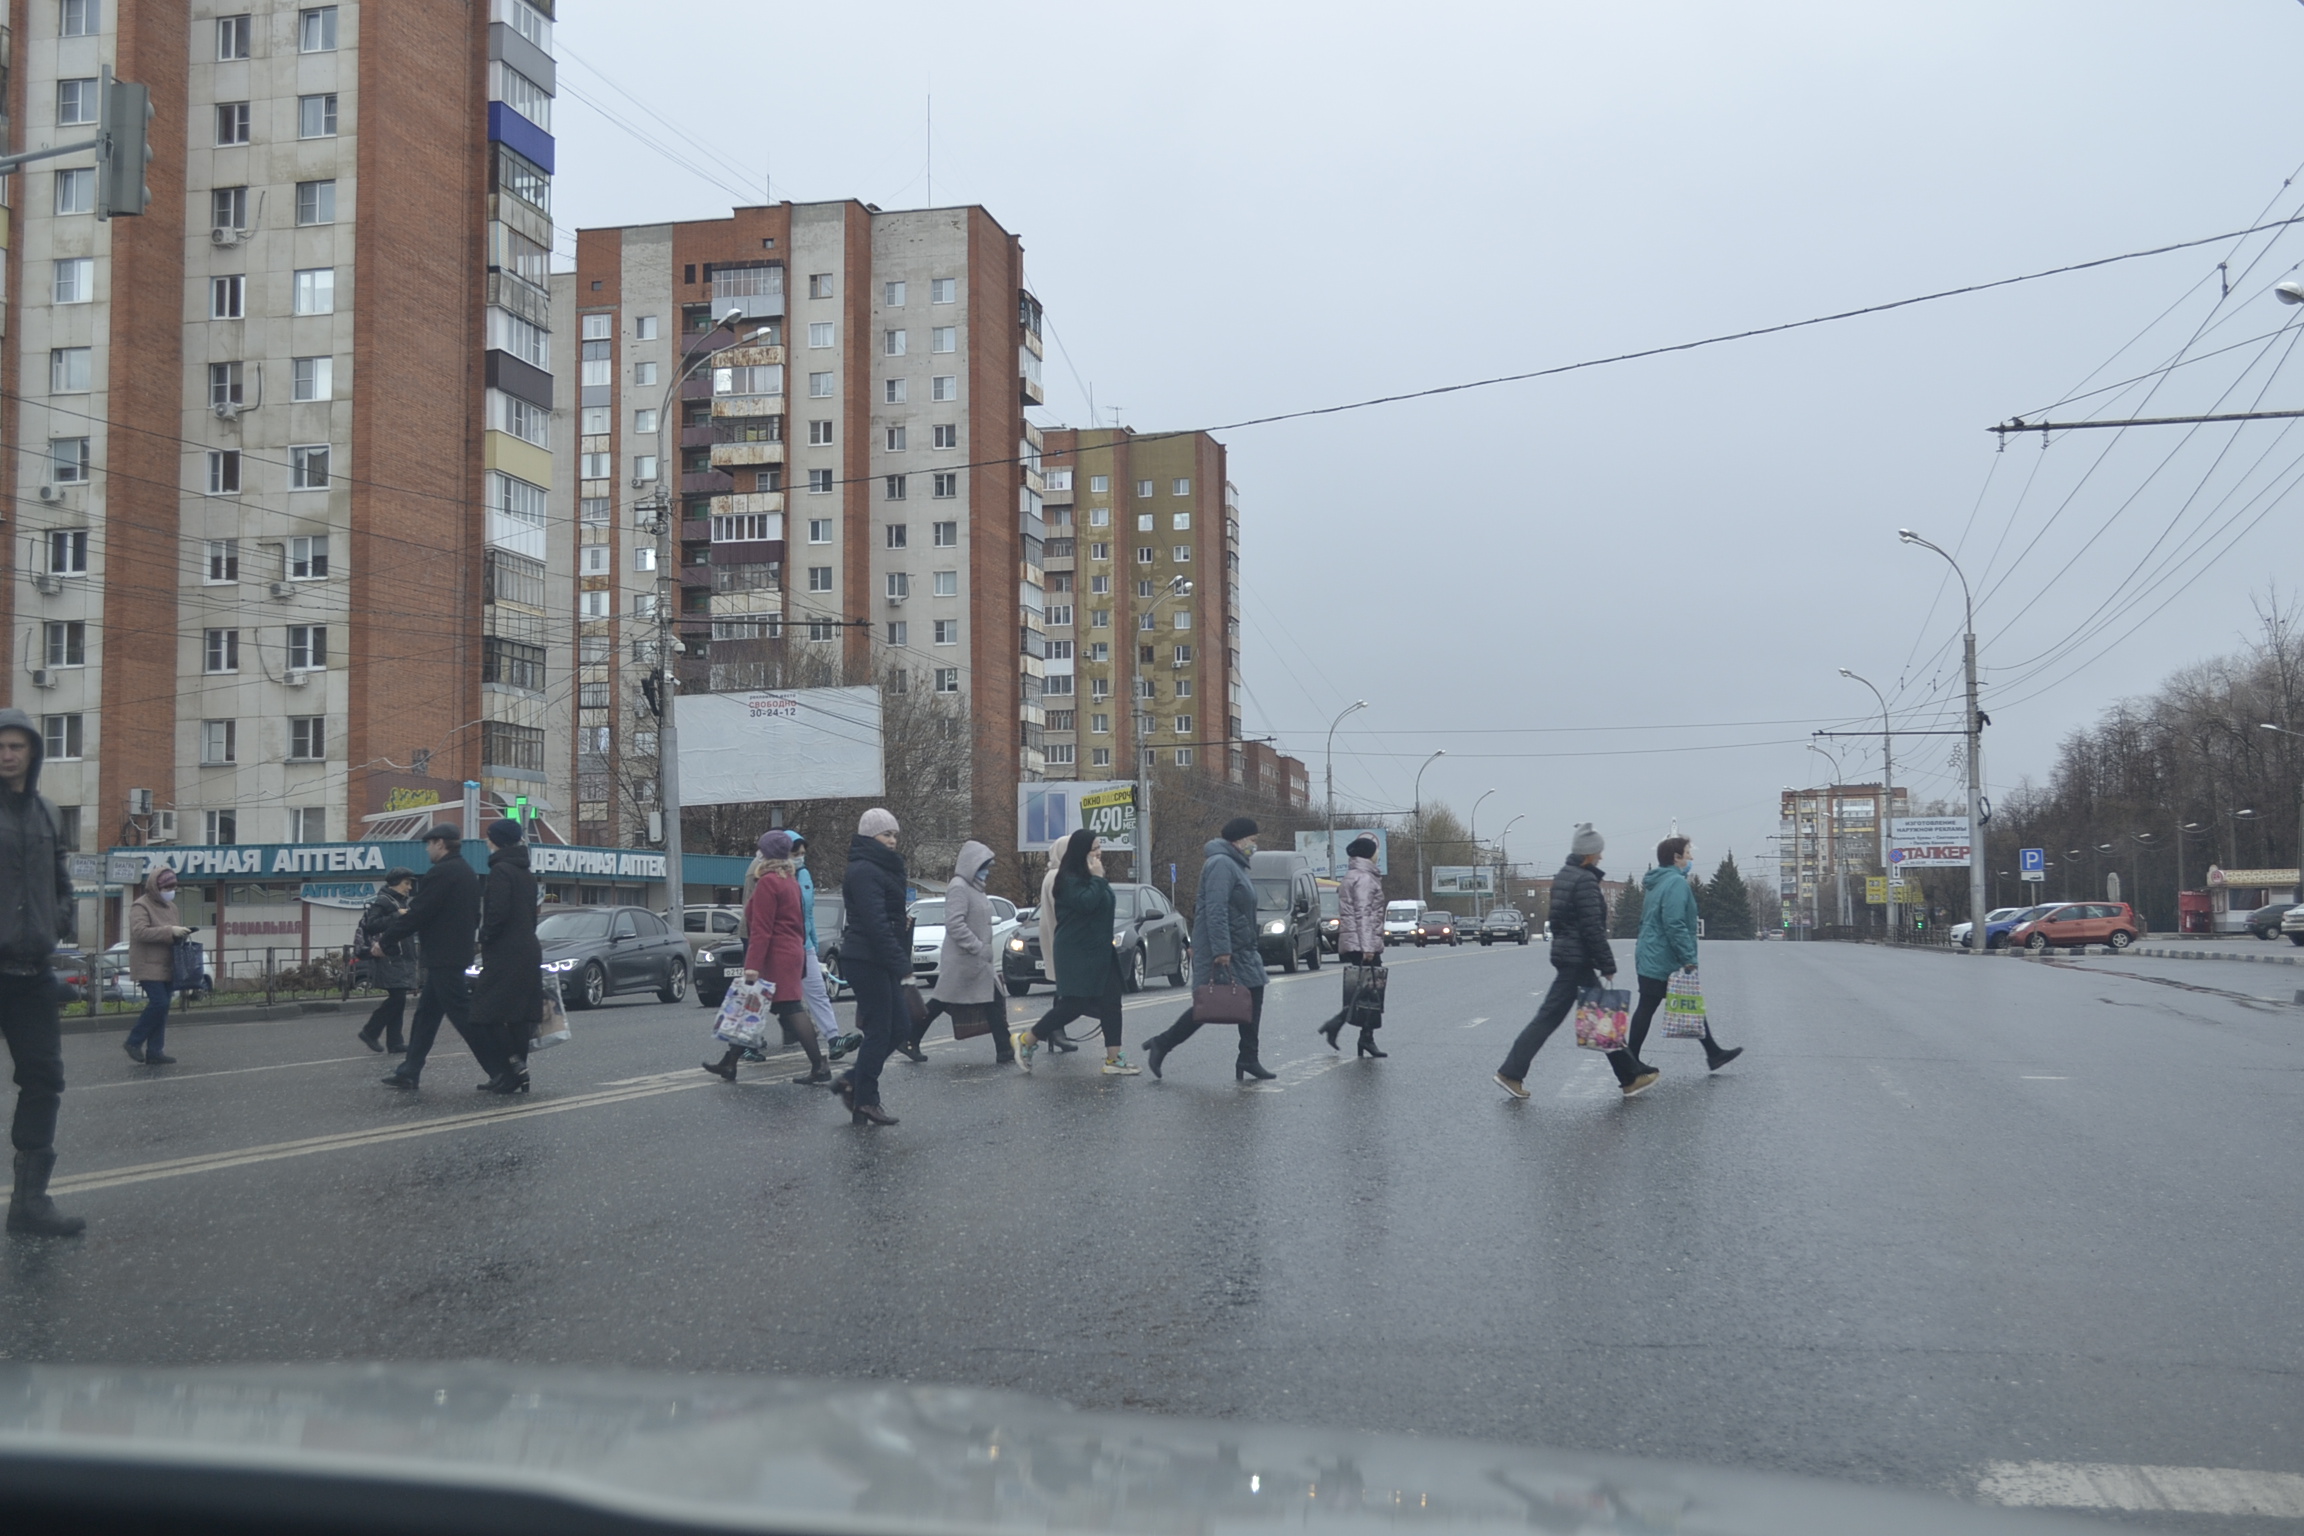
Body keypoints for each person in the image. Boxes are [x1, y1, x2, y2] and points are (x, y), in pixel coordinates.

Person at [0, 708, 83, 1235]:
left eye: (16, 746)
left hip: (30, 973)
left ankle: (30, 1204)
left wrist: (61, 921)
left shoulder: (48, 812)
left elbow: (60, 882)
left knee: (44, 1079)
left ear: (33, 752)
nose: (6, 755)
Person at [1496, 823, 1627, 1100]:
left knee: (1592, 1015)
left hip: (1569, 956)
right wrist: (1607, 964)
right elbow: (1592, 928)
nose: (1601, 856)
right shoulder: (1585, 881)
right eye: (1598, 852)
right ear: (1588, 854)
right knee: (1565, 1017)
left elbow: (1558, 922)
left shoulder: (1564, 877)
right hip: (1577, 960)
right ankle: (1510, 1072)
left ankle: (1631, 1075)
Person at [1607, 836, 1744, 1089]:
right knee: (1652, 1005)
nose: (1691, 857)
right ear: (1676, 857)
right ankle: (1632, 1062)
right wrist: (1689, 957)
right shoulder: (1676, 884)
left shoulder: (1657, 883)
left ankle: (1712, 1052)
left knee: (1681, 1001)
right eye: (1688, 852)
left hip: (1651, 952)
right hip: (1663, 956)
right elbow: (1674, 924)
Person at [377, 825, 507, 1092]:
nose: (426, 850)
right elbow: (474, 916)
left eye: (429, 844)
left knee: (464, 1016)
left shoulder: (442, 873)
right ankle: (410, 1071)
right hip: (453, 954)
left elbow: (419, 913)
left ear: (440, 844)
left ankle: (500, 1070)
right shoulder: (467, 872)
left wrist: (385, 940)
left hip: (444, 957)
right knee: (426, 1015)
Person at [1144, 817, 1273, 1082]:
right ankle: (1162, 1043)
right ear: (1238, 841)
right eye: (1253, 840)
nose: (1254, 846)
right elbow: (1215, 909)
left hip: (1241, 947)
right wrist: (1222, 950)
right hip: (1226, 949)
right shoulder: (1221, 864)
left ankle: (1248, 1057)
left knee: (1250, 996)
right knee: (1208, 1005)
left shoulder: (1234, 865)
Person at [1014, 831, 1136, 1074]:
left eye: (1100, 847)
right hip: (1076, 952)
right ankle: (1026, 1040)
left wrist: (1097, 879)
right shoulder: (1066, 878)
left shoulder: (1089, 876)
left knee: (1112, 1003)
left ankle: (1114, 1060)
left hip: (1101, 950)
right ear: (1081, 851)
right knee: (1072, 1005)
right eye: (1094, 848)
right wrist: (1099, 879)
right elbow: (1085, 903)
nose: (1099, 852)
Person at [707, 831, 823, 1083]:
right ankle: (730, 1062)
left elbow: (761, 929)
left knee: (789, 1007)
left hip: (774, 956)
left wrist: (752, 966)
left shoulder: (769, 882)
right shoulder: (789, 880)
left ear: (765, 854)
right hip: (790, 952)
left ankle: (820, 1066)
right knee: (751, 1005)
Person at [831, 809, 908, 1126]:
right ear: (869, 837)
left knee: (901, 1028)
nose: (891, 841)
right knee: (879, 1030)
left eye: (894, 835)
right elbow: (876, 924)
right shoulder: (864, 870)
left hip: (879, 957)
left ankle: (851, 1080)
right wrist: (901, 963)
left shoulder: (881, 867)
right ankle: (866, 1100)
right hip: (865, 958)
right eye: (885, 834)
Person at [910, 840, 1017, 1066]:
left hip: (977, 960)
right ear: (972, 865)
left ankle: (1005, 1049)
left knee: (993, 1000)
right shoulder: (959, 886)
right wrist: (978, 946)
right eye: (984, 866)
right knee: (940, 1002)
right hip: (963, 960)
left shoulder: (976, 888)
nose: (987, 871)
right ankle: (910, 1037)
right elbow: (955, 924)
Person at [468, 820, 543, 1094]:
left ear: (497, 841)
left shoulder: (501, 871)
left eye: (489, 838)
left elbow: (496, 914)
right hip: (528, 949)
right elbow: (531, 916)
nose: (487, 843)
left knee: (483, 1014)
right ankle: (517, 1072)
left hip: (505, 952)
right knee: (519, 1016)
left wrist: (484, 937)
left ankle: (512, 1067)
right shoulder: (526, 873)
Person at [1316, 836, 1387, 1058]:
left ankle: (1344, 1029)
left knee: (1363, 991)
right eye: (1375, 851)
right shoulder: (1365, 879)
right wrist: (1368, 947)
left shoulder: (1352, 876)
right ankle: (1364, 1037)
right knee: (1372, 993)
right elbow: (1364, 914)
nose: (1378, 855)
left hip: (1356, 942)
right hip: (1363, 943)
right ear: (1369, 854)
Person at [124, 868, 191, 1065]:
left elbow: (171, 934)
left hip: (169, 963)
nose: (171, 891)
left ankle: (155, 1051)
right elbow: (139, 932)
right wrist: (170, 931)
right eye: (167, 887)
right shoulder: (140, 906)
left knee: (163, 1007)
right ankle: (133, 1042)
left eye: (174, 887)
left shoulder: (171, 907)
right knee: (159, 1003)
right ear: (156, 887)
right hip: (147, 964)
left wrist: (182, 933)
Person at [788, 832, 846, 1060]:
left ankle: (833, 1038)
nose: (800, 858)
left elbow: (808, 914)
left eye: (803, 854)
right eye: (795, 853)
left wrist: (812, 943)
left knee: (817, 993)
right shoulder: (770, 877)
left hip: (805, 945)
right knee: (765, 997)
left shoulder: (804, 875)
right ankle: (741, 1043)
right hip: (782, 948)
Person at [354, 869, 420, 1054]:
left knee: (398, 998)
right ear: (396, 883)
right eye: (406, 883)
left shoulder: (399, 902)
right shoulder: (384, 901)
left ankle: (395, 1042)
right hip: (390, 957)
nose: (409, 887)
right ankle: (370, 1031)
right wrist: (397, 915)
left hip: (399, 956)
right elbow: (372, 924)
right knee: (397, 998)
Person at [1026, 834, 1081, 1053]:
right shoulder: (1058, 876)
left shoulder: (1053, 874)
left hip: (1054, 933)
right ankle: (1054, 1030)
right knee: (1065, 988)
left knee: (1063, 986)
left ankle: (1055, 1031)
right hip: (1061, 936)